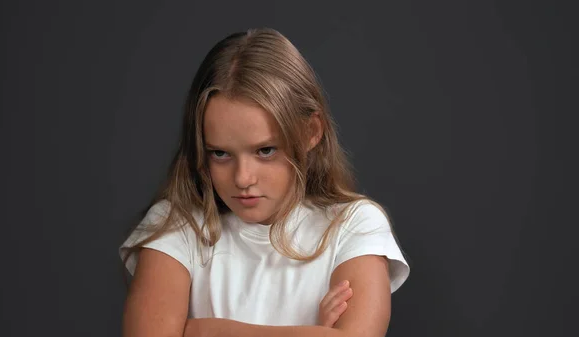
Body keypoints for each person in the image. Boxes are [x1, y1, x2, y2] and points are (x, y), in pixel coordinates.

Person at [119, 27, 410, 337]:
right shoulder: (176, 226)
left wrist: (202, 331)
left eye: (265, 150)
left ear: (310, 132)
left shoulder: (354, 226)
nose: (243, 178)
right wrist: (310, 332)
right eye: (220, 154)